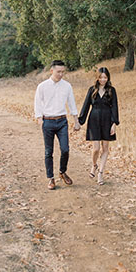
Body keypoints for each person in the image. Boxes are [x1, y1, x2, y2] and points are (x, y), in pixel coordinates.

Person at [34, 60, 79, 190]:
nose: (61, 74)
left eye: (63, 72)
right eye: (58, 72)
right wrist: (39, 118)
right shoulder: (42, 86)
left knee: (65, 149)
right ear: (51, 71)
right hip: (47, 121)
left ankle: (62, 171)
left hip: (62, 121)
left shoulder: (67, 86)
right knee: (49, 151)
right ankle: (51, 178)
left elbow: (72, 104)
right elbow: (37, 103)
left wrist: (76, 121)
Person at [76, 67, 119, 185]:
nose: (103, 79)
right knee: (96, 149)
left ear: (108, 78)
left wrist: (114, 123)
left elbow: (115, 107)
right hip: (94, 120)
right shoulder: (92, 90)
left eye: (105, 77)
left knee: (105, 148)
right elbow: (85, 106)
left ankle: (100, 172)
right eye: (101, 77)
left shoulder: (111, 90)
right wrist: (79, 122)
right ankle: (94, 165)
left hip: (107, 120)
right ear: (97, 78)